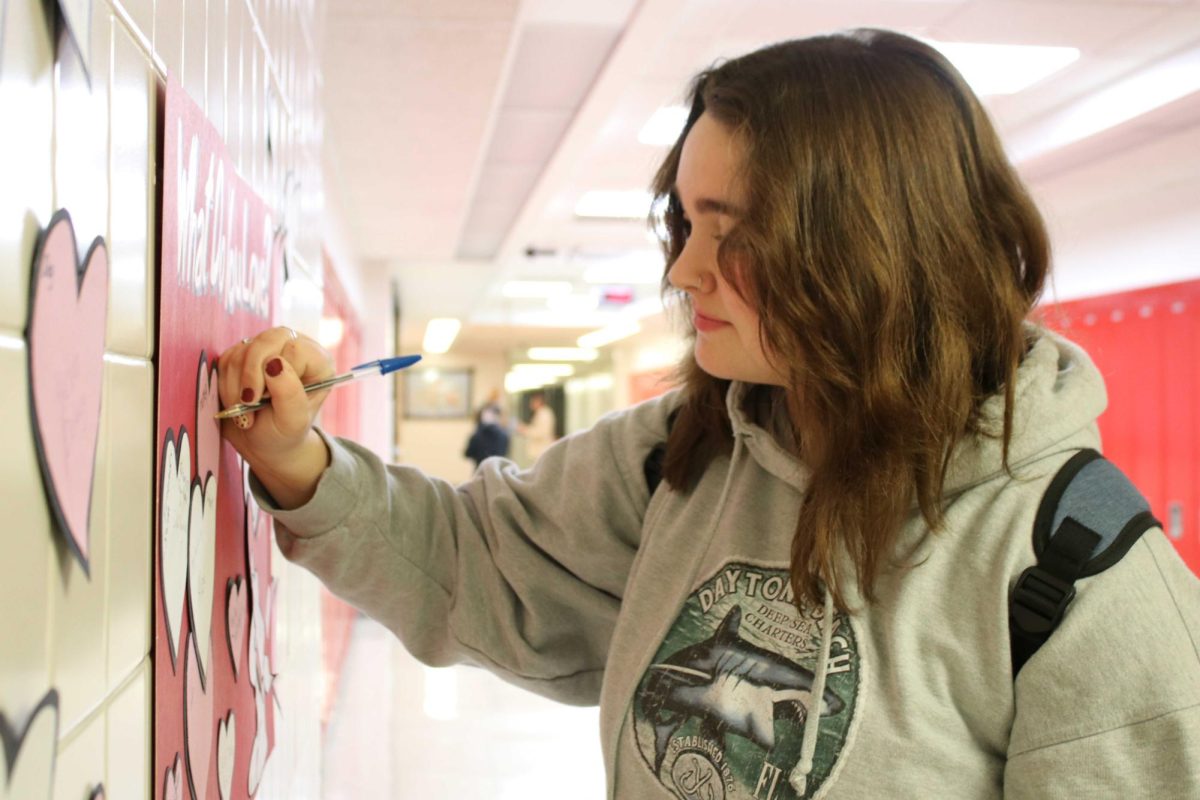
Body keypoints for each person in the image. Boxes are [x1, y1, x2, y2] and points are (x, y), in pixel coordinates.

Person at [219, 29, 1200, 799]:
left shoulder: (1082, 581)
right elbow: (475, 561)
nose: (685, 271)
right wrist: (297, 459)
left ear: (864, 248)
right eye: (684, 223)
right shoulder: (679, 454)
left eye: (731, 234)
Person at [464, 398, 510, 468]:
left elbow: (467, 453)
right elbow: (505, 453)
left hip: (480, 473)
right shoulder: (504, 435)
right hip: (498, 474)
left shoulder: (477, 435)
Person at [517, 390, 557, 461]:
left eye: (532, 401)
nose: (530, 404)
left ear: (538, 401)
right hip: (540, 451)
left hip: (541, 450)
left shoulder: (544, 414)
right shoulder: (542, 413)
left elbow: (541, 433)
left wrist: (525, 430)